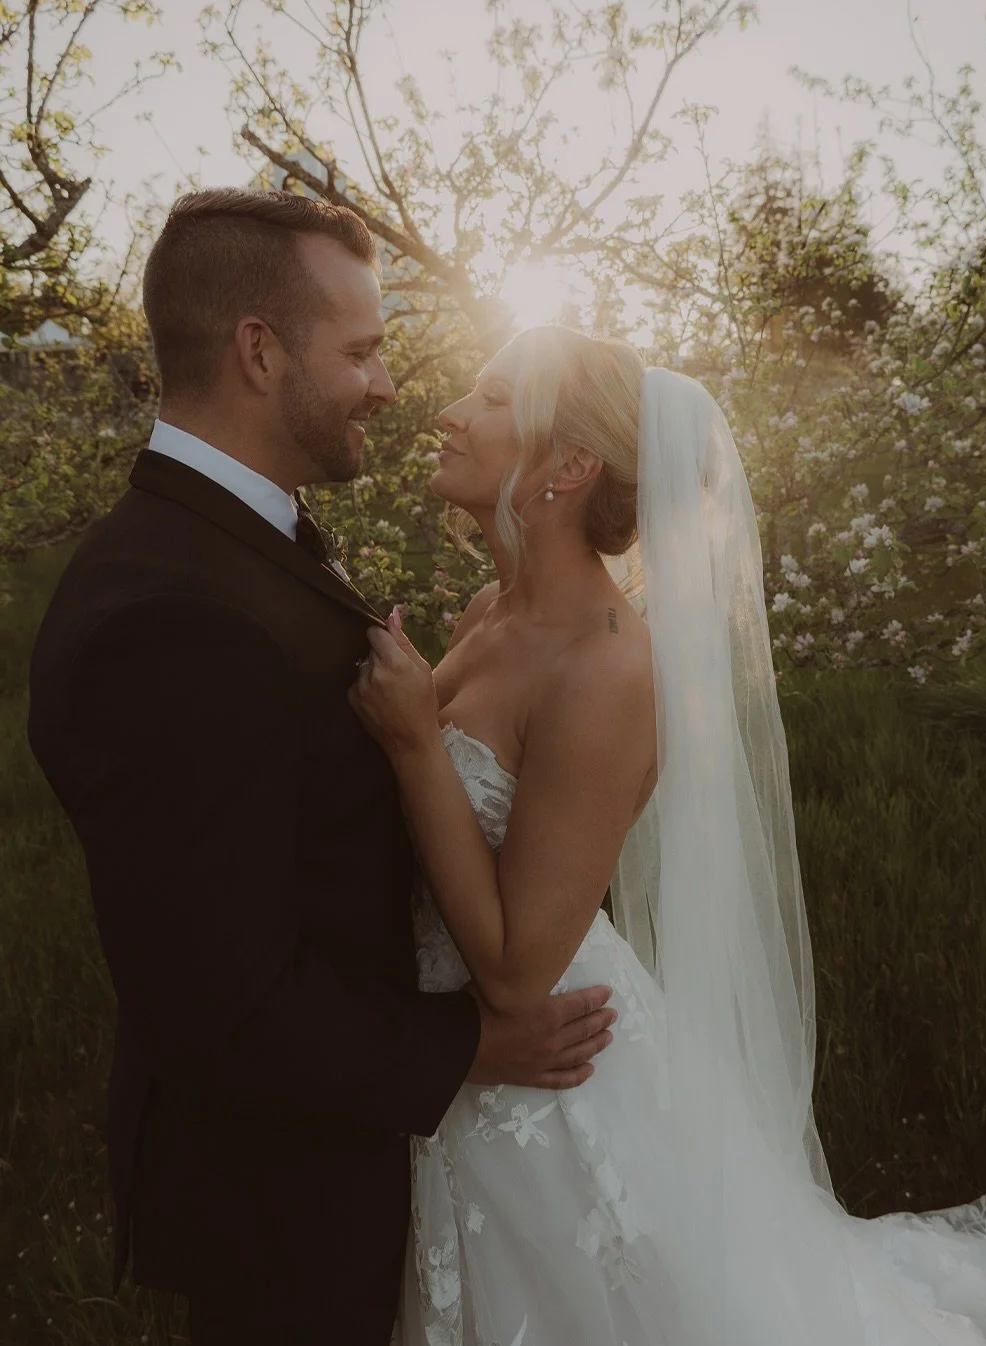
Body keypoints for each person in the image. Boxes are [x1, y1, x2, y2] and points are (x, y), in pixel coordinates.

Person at [351, 324, 986, 1345]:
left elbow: (518, 970)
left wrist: (415, 747)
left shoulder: (608, 668)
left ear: (568, 465)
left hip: (541, 1061)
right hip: (449, 1046)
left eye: (491, 398)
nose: (449, 413)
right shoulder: (488, 608)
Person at [26, 191, 617, 1346]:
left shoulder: (245, 526)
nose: (393, 387)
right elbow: (220, 1002)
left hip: (352, 1152)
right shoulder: (165, 613)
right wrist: (474, 1047)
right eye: (361, 351)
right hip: (282, 1191)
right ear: (259, 351)